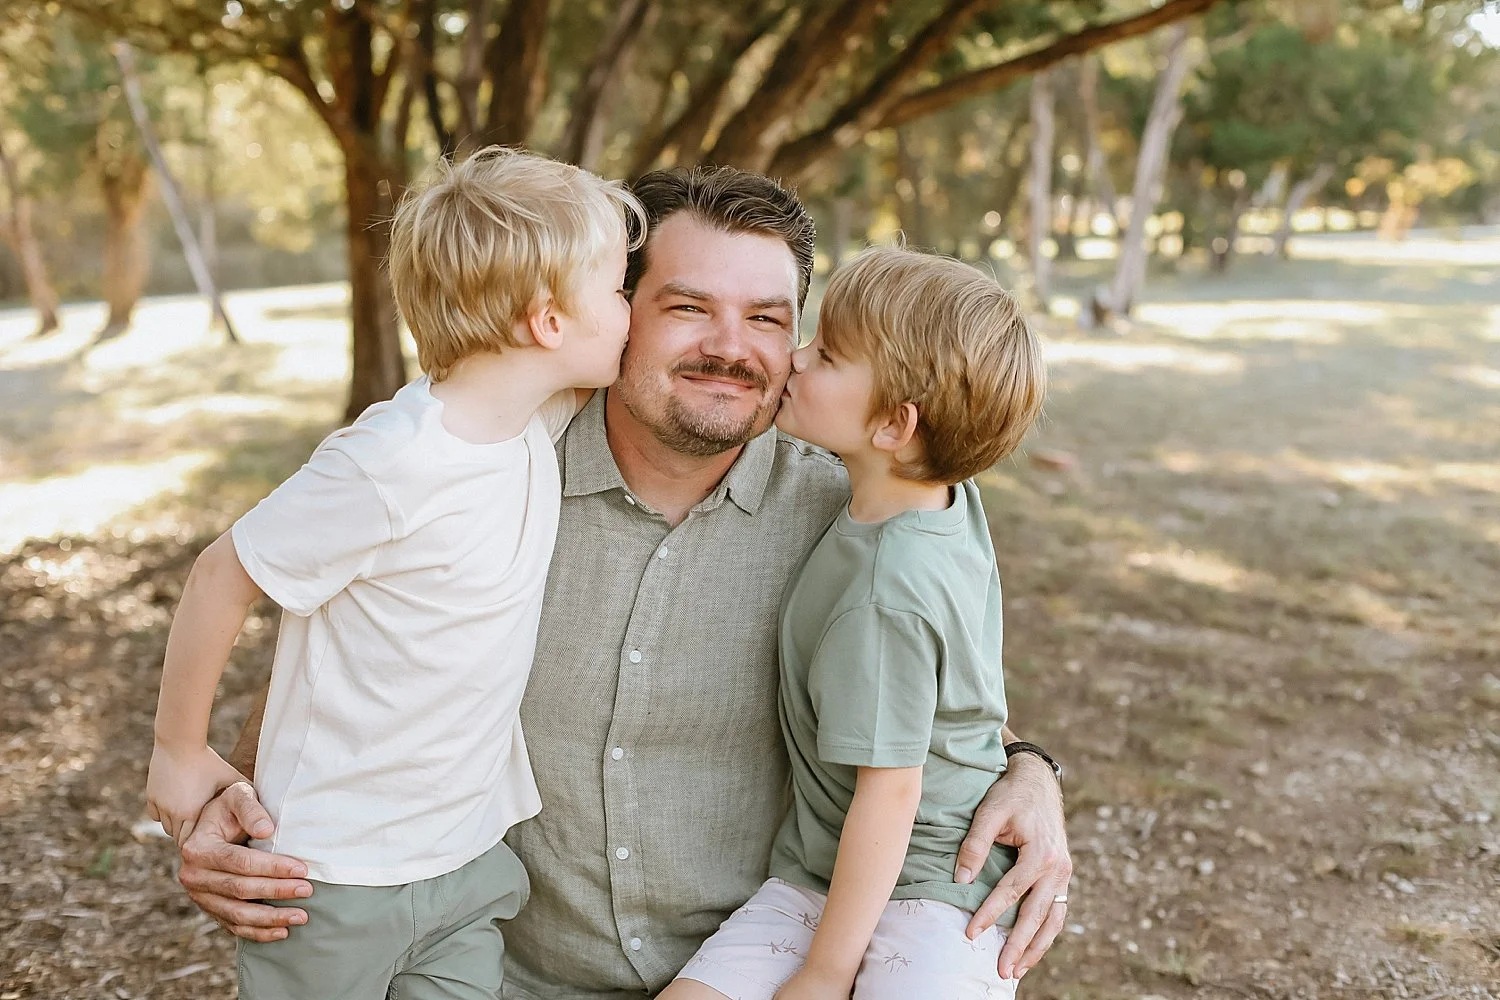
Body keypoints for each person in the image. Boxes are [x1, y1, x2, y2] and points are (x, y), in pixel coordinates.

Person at [170, 166, 1075, 998]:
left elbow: (930, 694)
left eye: (767, 319)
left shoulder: (851, 507)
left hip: (750, 963)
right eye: (688, 307)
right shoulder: (493, 467)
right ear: (613, 308)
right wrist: (226, 805)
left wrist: (1032, 772)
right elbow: (341, 637)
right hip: (504, 972)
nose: (731, 347)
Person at [144, 146, 643, 999]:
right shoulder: (391, 459)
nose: (630, 309)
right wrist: (178, 752)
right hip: (331, 874)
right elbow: (221, 576)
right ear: (548, 321)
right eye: (619, 289)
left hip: (467, 860)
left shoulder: (532, 422)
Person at [662, 246, 1046, 1000]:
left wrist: (825, 973)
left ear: (895, 426)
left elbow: (890, 795)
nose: (796, 359)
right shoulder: (942, 494)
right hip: (822, 869)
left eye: (828, 355)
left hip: (927, 891)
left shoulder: (885, 591)